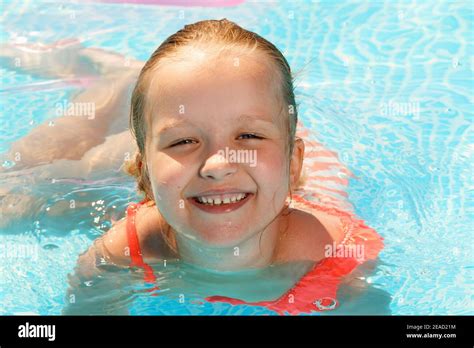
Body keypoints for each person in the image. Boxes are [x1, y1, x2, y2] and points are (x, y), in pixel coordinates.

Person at [2, 19, 383, 314]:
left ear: (293, 162)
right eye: (183, 142)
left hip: (311, 179)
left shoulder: (336, 258)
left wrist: (196, 140)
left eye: (249, 135)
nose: (216, 165)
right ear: (143, 175)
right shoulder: (121, 253)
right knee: (13, 198)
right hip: (250, 162)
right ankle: (115, 82)